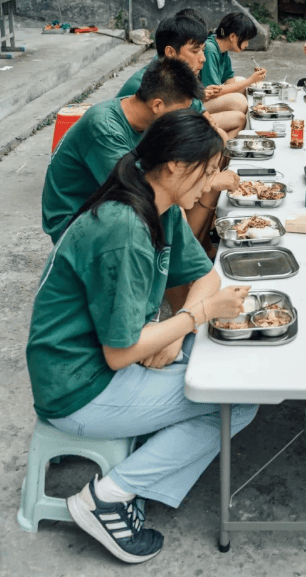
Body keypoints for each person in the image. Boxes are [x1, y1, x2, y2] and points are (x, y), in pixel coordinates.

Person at [27, 109, 258, 564]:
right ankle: (109, 496)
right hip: (78, 386)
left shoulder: (157, 202)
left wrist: (175, 330)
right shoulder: (125, 228)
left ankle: (135, 476)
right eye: (208, 172)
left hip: (102, 363)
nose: (211, 183)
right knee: (239, 399)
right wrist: (197, 318)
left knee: (220, 364)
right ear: (174, 165)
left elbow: (205, 276)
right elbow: (119, 353)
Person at [42, 57, 200, 244]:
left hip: (106, 202)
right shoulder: (105, 128)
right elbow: (136, 191)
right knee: (168, 209)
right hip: (74, 218)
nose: (181, 119)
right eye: (179, 112)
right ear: (157, 105)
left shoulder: (146, 117)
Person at [116, 15, 246, 139]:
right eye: (195, 51)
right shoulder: (145, 84)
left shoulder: (181, 78)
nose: (203, 58)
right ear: (170, 53)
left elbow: (207, 119)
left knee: (222, 134)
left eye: (202, 50)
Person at [199, 12, 266, 115]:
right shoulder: (210, 49)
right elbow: (214, 92)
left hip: (211, 95)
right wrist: (251, 80)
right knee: (239, 102)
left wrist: (250, 80)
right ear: (232, 36)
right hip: (199, 101)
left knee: (241, 81)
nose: (247, 45)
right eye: (246, 40)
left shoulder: (222, 50)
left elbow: (229, 80)